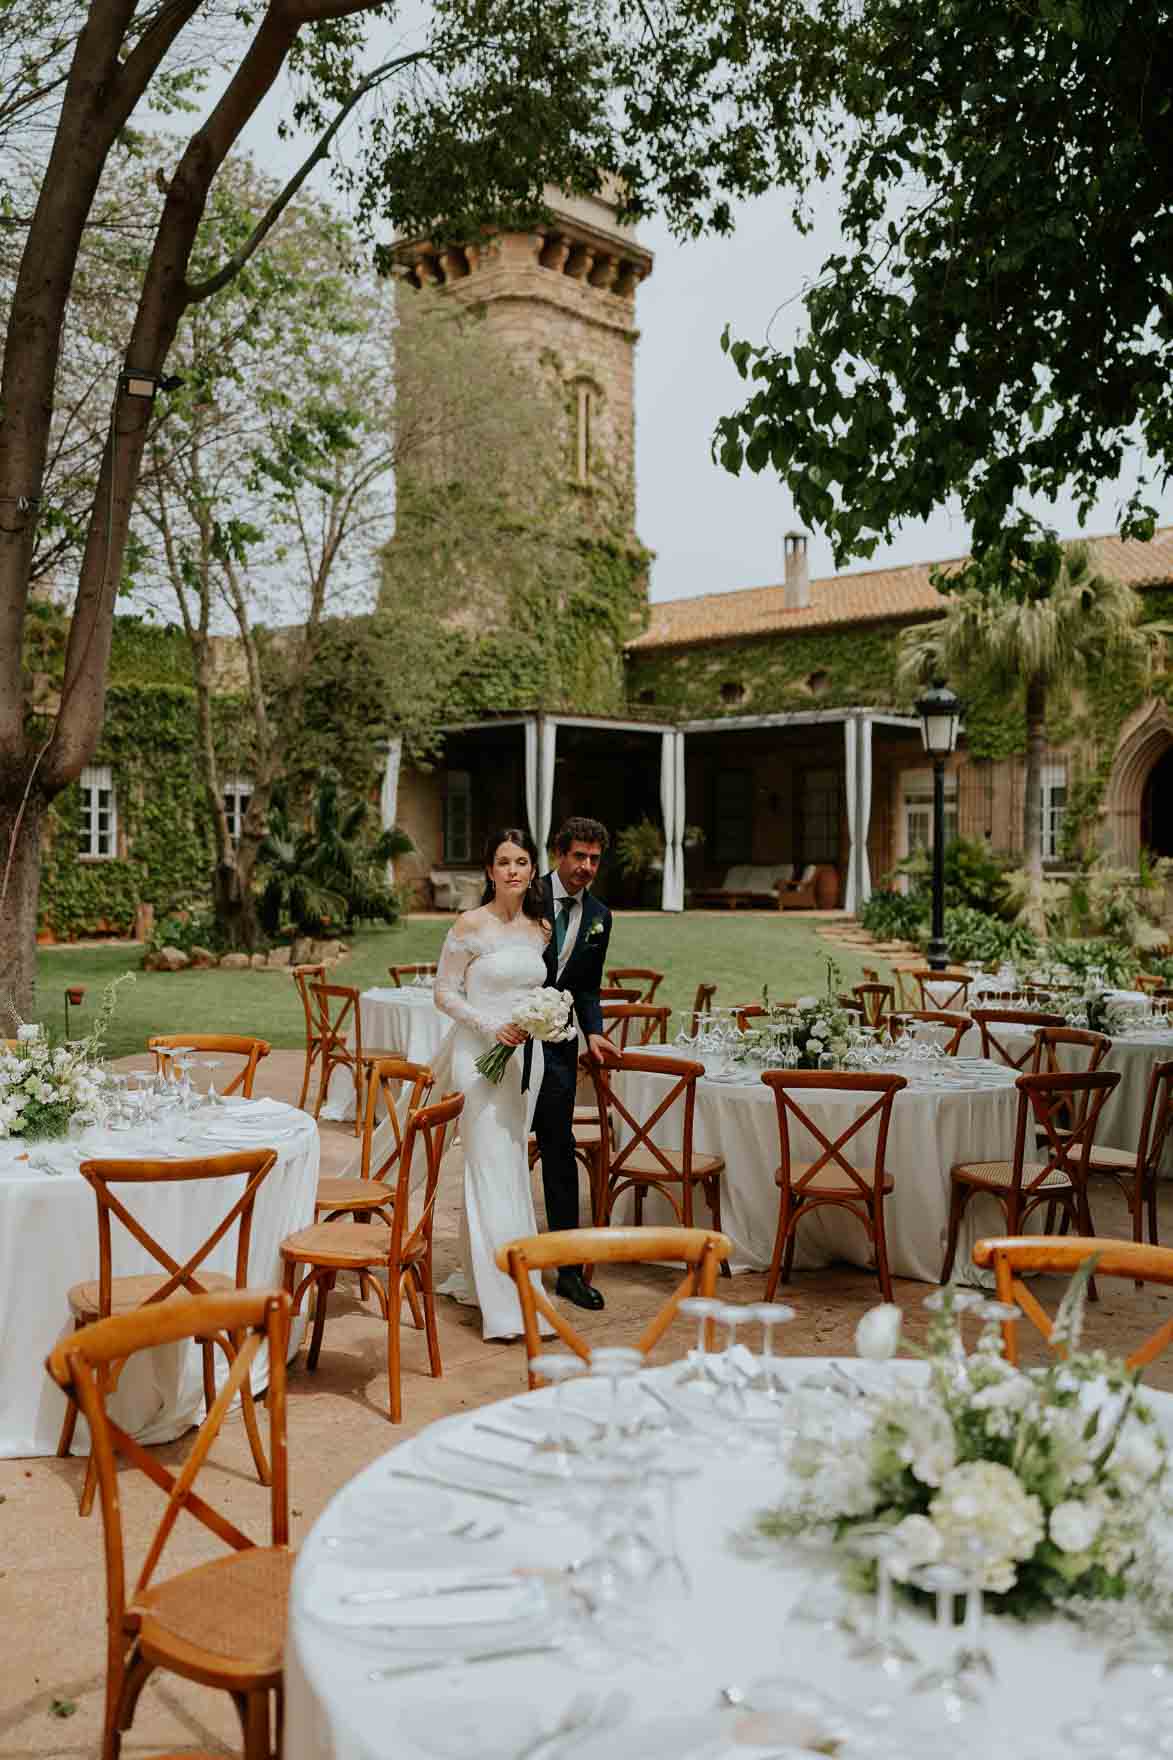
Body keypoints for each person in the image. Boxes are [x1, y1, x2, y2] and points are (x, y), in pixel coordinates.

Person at [432, 827, 556, 1340]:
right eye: (503, 861)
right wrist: (488, 1026)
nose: (512, 870)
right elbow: (443, 992)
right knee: (486, 1166)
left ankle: (487, 1273)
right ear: (489, 871)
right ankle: (506, 1301)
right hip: (479, 1056)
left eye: (522, 862)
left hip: (527, 1060)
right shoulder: (469, 925)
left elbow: (541, 993)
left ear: (531, 870)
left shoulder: (541, 929)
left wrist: (545, 1021)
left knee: (510, 1166)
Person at [531, 815, 613, 1311]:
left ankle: (568, 1271)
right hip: (508, 1044)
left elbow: (587, 984)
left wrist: (595, 1031)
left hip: (560, 1049)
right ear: (559, 854)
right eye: (578, 856)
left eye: (594, 860)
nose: (585, 867)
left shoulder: (601, 914)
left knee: (559, 1154)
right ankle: (495, 1262)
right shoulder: (526, 894)